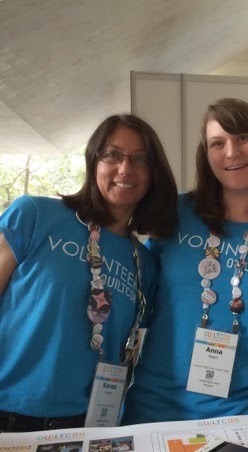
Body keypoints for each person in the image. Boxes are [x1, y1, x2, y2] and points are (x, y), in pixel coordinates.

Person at [122, 98, 248, 423]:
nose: (232, 152)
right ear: (206, 155)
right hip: (156, 410)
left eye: (243, 137)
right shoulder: (174, 214)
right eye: (218, 143)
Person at [0, 114, 178, 432]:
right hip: (8, 413)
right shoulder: (36, 215)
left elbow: (127, 349)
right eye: (112, 155)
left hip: (87, 426)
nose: (125, 169)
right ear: (93, 160)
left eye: (140, 159)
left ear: (154, 174)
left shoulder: (145, 265)